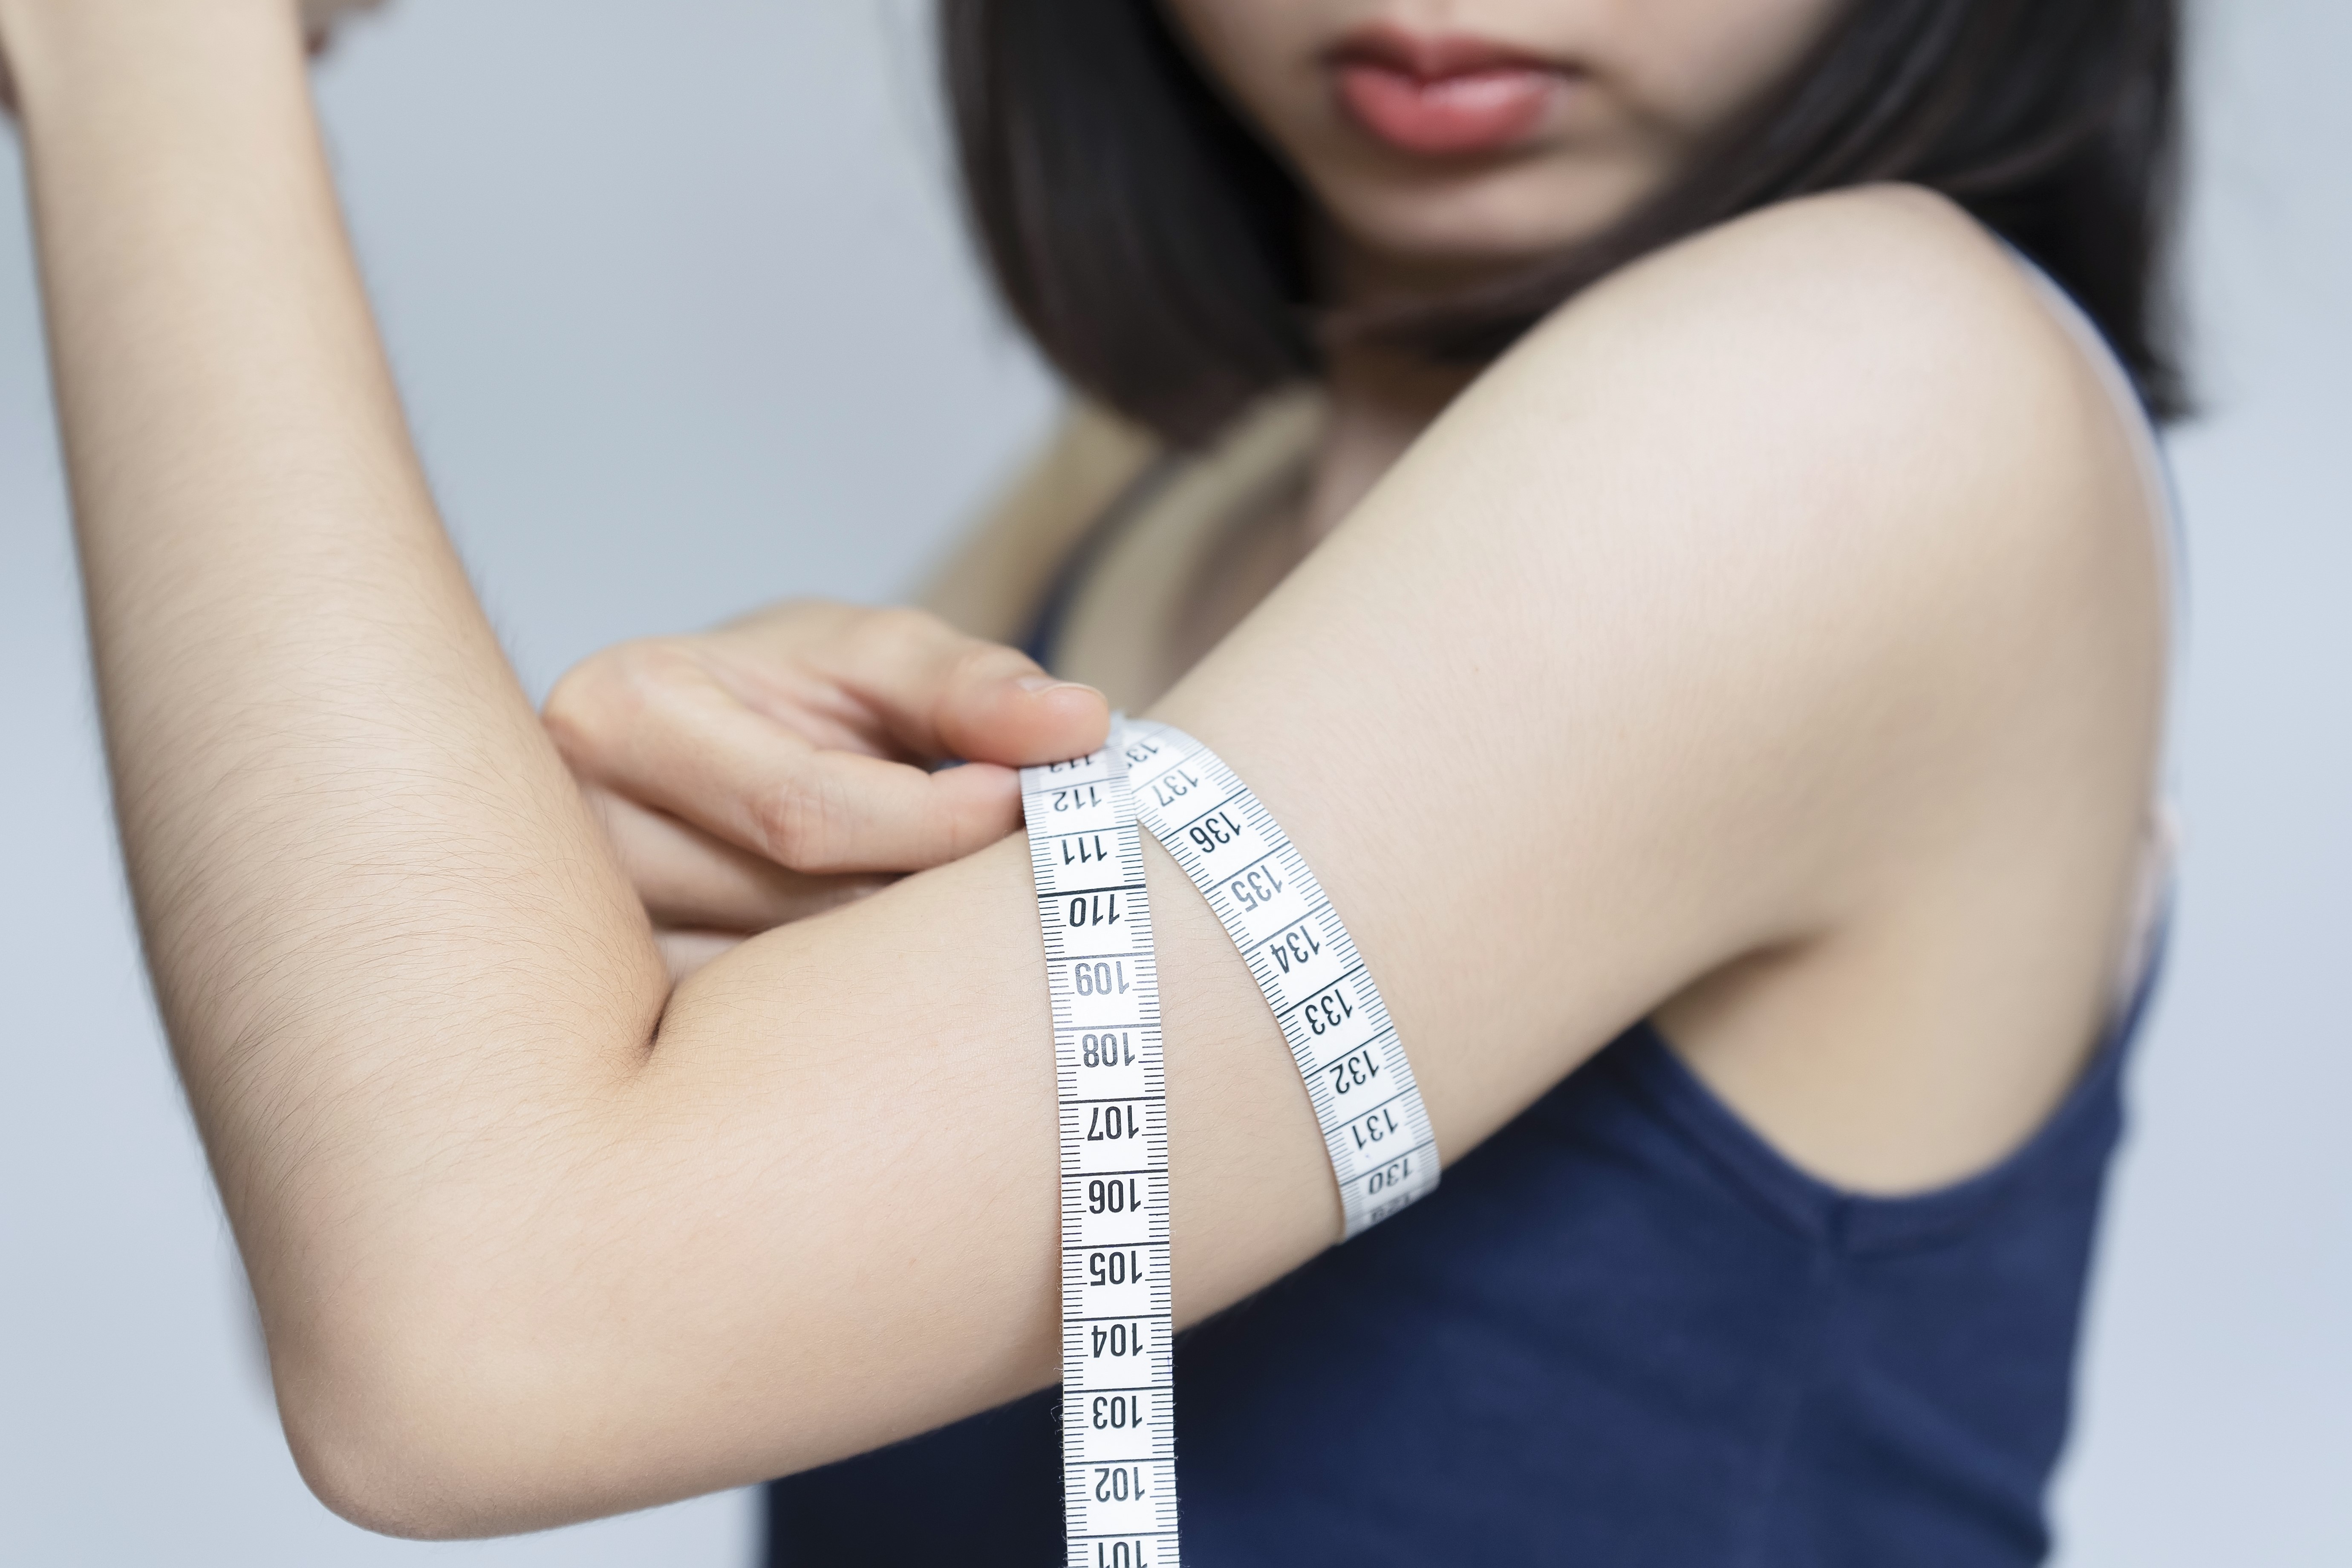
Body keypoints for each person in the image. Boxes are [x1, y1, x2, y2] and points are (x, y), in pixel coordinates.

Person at [0, 0, 2180, 1561]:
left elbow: (464, 1344)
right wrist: (560, 956)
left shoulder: (1871, 401)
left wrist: (149, 56)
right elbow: (397, 1254)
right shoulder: (1155, 494)